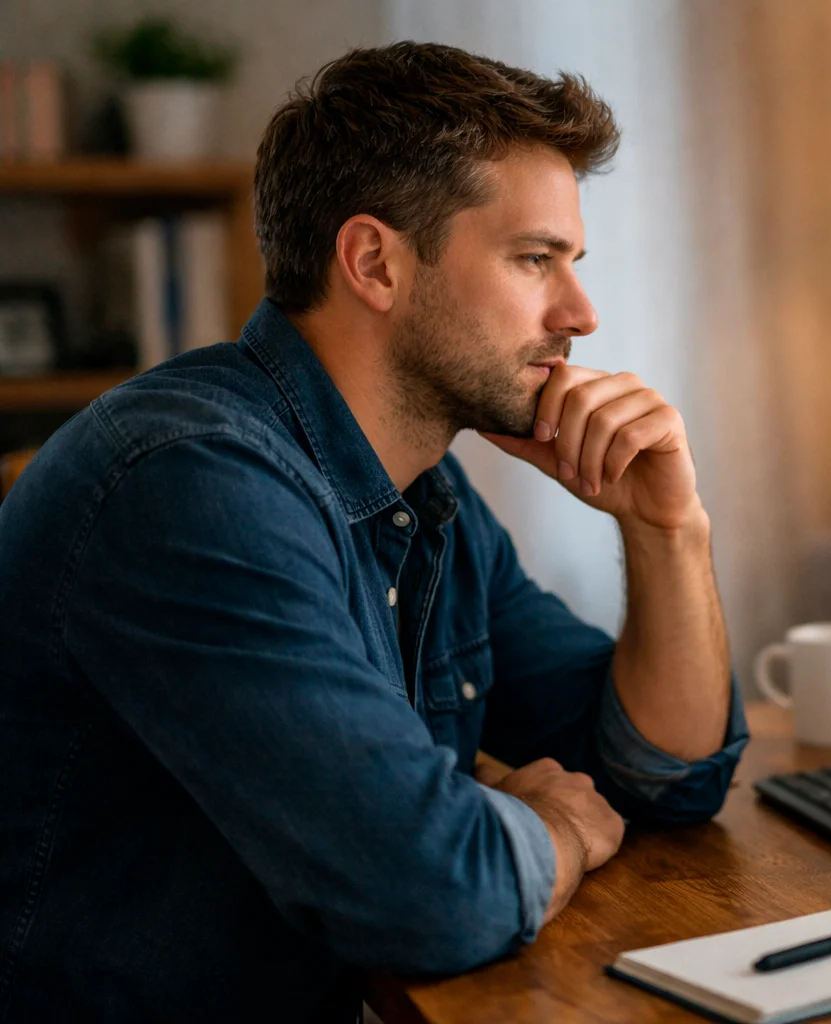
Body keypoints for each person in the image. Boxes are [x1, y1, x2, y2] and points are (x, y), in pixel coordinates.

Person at [0, 44, 746, 1022]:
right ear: (374, 263)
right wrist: (551, 827)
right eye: (535, 259)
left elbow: (661, 778)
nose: (581, 314)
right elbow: (431, 892)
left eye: (573, 264)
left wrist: (667, 527)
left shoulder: (424, 494)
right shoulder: (190, 482)